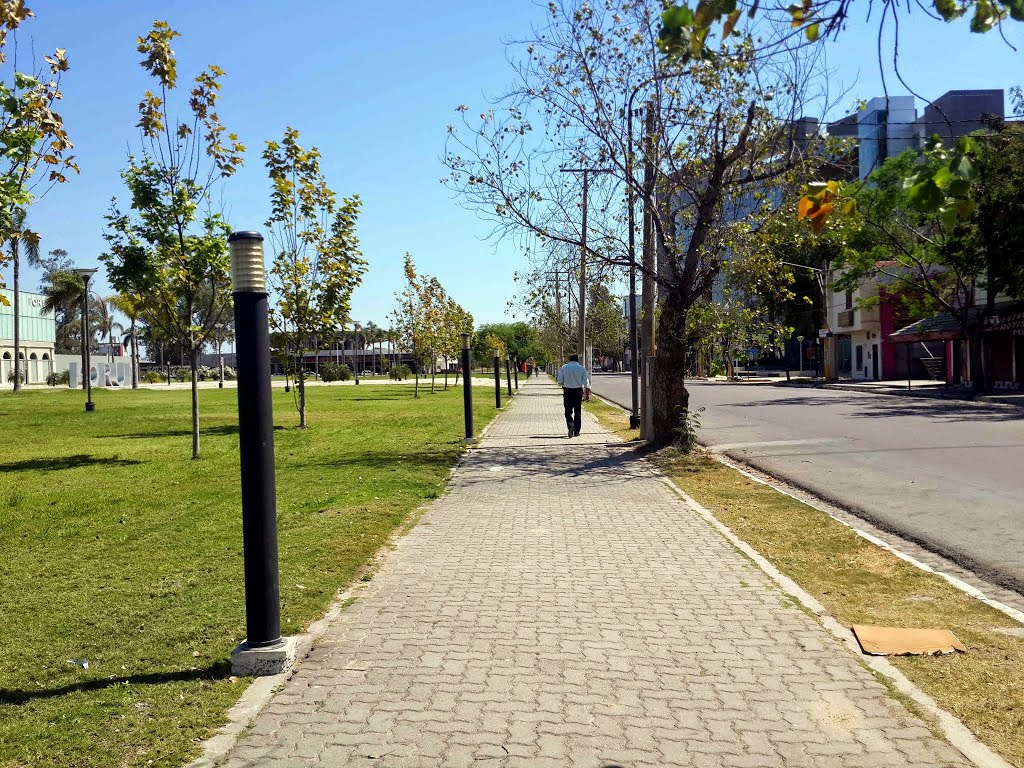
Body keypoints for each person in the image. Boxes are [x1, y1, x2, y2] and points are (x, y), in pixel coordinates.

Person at [556, 353, 590, 438]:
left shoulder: (564, 367)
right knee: (577, 411)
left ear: (569, 359)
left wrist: (565, 382)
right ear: (577, 360)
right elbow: (586, 382)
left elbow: (559, 380)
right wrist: (587, 390)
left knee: (568, 410)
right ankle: (577, 431)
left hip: (567, 391)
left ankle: (570, 425)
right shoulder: (582, 368)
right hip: (578, 391)